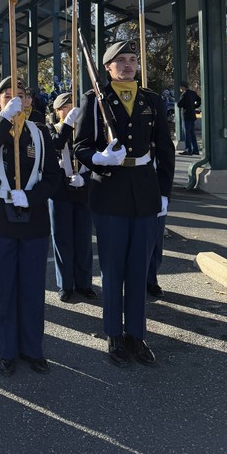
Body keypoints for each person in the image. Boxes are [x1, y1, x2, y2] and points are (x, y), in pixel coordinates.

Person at [74, 40, 175, 368]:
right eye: (122, 60)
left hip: (144, 192)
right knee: (113, 268)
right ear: (107, 67)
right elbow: (81, 146)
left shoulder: (151, 100)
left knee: (138, 268)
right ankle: (113, 334)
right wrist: (101, 159)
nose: (129, 65)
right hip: (110, 194)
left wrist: (164, 193)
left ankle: (136, 334)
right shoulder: (94, 100)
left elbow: (165, 149)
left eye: (133, 59)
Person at [0, 77, 60, 377]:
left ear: (30, 102)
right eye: (6, 96)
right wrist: (4, 118)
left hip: (32, 218)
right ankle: (7, 351)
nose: (14, 100)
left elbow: (52, 178)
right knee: (6, 290)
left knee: (33, 290)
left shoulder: (41, 132)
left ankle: (33, 350)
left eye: (19, 96)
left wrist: (32, 196)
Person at [47, 92, 96, 303]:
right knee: (62, 239)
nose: (71, 110)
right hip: (60, 190)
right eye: (65, 107)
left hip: (83, 188)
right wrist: (67, 124)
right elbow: (56, 145)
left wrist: (86, 179)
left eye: (73, 106)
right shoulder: (50, 129)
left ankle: (84, 283)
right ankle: (65, 284)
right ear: (58, 111)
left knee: (83, 239)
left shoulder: (85, 130)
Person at [177, 80, 201, 156]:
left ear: (183, 87)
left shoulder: (184, 95)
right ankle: (195, 150)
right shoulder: (193, 93)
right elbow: (199, 100)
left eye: (180, 87)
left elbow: (179, 104)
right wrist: (195, 106)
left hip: (186, 115)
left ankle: (188, 150)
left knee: (187, 133)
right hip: (192, 115)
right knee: (192, 133)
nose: (180, 89)